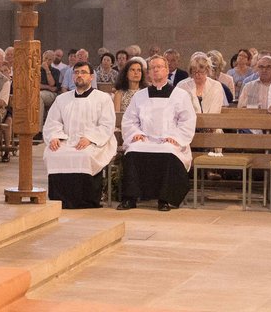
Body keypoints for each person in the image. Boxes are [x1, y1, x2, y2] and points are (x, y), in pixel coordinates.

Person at [119, 55, 196, 211]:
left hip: (170, 141)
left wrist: (175, 138)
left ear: (167, 70)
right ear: (148, 73)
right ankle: (130, 198)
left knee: (168, 151)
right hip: (145, 140)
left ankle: (164, 199)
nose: (156, 70)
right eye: (152, 68)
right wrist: (135, 134)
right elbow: (129, 120)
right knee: (132, 151)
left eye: (159, 67)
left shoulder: (180, 95)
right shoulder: (140, 96)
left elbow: (187, 121)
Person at [43, 61, 117, 208]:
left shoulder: (103, 98)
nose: (79, 75)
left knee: (85, 155)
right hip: (66, 140)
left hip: (94, 141)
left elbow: (107, 124)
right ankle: (59, 199)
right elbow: (53, 121)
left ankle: (86, 200)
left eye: (83, 72)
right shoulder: (62, 99)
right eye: (76, 72)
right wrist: (55, 136)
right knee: (52, 154)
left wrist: (90, 138)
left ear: (91, 77)